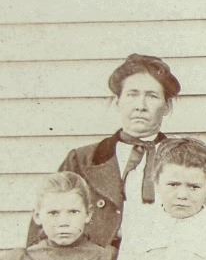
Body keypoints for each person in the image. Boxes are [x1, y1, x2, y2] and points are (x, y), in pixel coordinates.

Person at [35, 54, 180, 249]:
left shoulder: (184, 158)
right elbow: (46, 224)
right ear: (117, 101)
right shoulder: (83, 159)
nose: (140, 106)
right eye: (132, 94)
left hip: (162, 259)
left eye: (152, 96)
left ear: (167, 106)